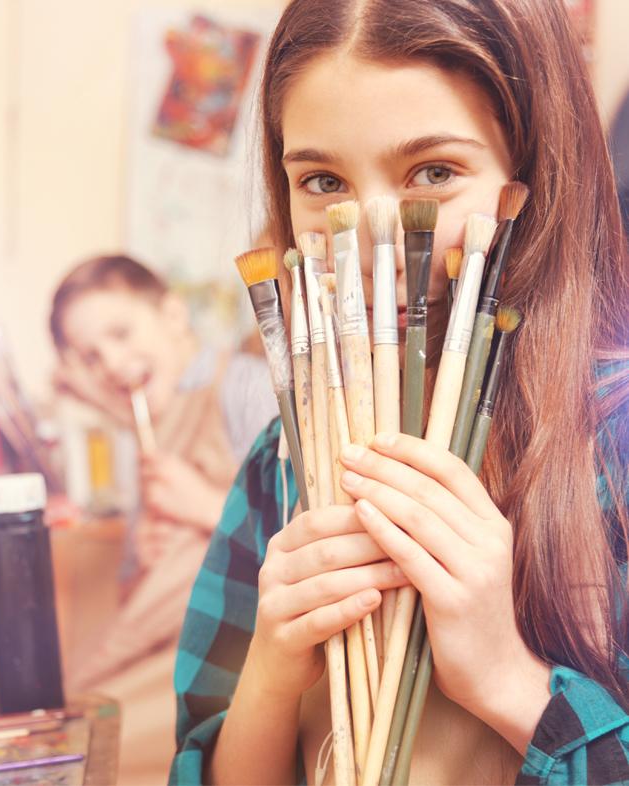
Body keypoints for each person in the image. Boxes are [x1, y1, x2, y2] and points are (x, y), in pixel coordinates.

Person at [171, 1, 629, 784]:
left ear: (537, 173)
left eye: (434, 173)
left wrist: (505, 679)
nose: (376, 237)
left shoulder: (613, 442)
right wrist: (275, 671)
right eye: (322, 180)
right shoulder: (284, 457)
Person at [48, 254, 277, 784]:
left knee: (94, 751)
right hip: (162, 647)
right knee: (75, 732)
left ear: (174, 316)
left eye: (122, 333)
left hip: (238, 653)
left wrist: (202, 506)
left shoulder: (242, 388)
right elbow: (135, 595)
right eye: (91, 355)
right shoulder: (141, 433)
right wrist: (146, 559)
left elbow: (308, 519)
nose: (111, 361)